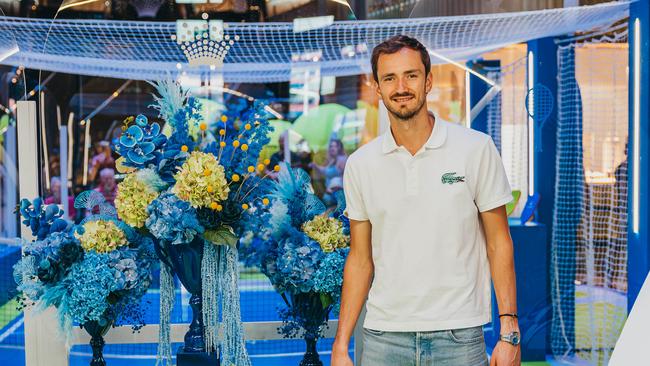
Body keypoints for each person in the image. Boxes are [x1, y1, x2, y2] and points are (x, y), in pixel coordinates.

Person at [332, 35, 520, 366]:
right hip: (382, 339)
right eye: (389, 78)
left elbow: (498, 242)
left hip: (458, 337)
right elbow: (360, 259)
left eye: (411, 75)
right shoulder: (361, 164)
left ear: (428, 81)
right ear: (377, 87)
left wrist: (509, 330)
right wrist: (341, 345)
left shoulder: (475, 149)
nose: (400, 86)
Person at [309, 138, 348, 206]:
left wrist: (334, 189)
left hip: (338, 195)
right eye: (331, 146)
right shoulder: (333, 159)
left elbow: (345, 178)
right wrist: (315, 165)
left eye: (335, 146)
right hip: (331, 194)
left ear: (340, 147)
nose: (332, 148)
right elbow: (325, 171)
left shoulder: (342, 159)